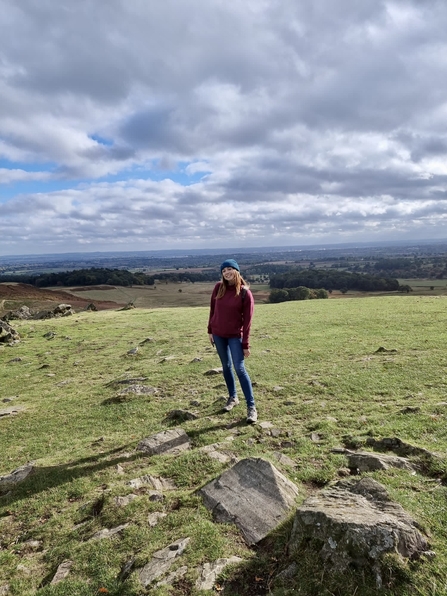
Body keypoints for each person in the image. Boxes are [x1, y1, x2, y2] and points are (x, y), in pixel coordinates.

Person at [207, 259, 258, 423]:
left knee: (239, 368)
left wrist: (246, 344)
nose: (226, 272)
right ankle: (233, 397)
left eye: (229, 269)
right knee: (226, 367)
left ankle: (251, 407)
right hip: (218, 334)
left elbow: (247, 322)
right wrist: (210, 330)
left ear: (236, 271)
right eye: (223, 271)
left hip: (235, 336)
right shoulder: (218, 288)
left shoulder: (244, 293)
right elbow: (213, 310)